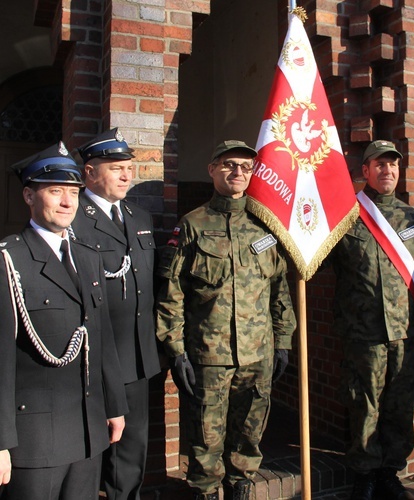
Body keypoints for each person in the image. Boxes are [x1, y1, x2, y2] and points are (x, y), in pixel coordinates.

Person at [0, 142, 128, 499]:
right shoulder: (4, 261)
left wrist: (114, 405)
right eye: (56, 192)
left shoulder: (87, 257)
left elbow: (101, 340)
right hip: (34, 439)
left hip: (88, 430)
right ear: (28, 196)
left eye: (73, 192)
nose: (68, 203)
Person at [154, 140, 297, 500]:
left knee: (249, 438)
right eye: (229, 165)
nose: (237, 172)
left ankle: (240, 490)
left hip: (258, 355)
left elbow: (279, 290)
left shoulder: (266, 225)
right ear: (212, 169)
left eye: (246, 167)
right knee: (205, 441)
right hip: (208, 356)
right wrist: (176, 351)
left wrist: (283, 341)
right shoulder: (193, 225)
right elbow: (172, 293)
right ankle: (203, 493)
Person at [329, 140, 414, 500]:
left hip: (406, 333)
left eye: (393, 165)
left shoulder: (412, 219)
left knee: (400, 406)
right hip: (364, 335)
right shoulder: (346, 215)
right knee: (365, 405)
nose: (387, 170)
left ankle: (390, 471)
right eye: (379, 164)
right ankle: (365, 474)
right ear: (365, 171)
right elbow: (315, 262)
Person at [70, 128, 161, 500]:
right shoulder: (73, 217)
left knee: (132, 449)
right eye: (116, 168)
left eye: (128, 168)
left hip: (137, 355)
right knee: (90, 448)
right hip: (93, 357)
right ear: (90, 173)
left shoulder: (140, 216)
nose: (126, 176)